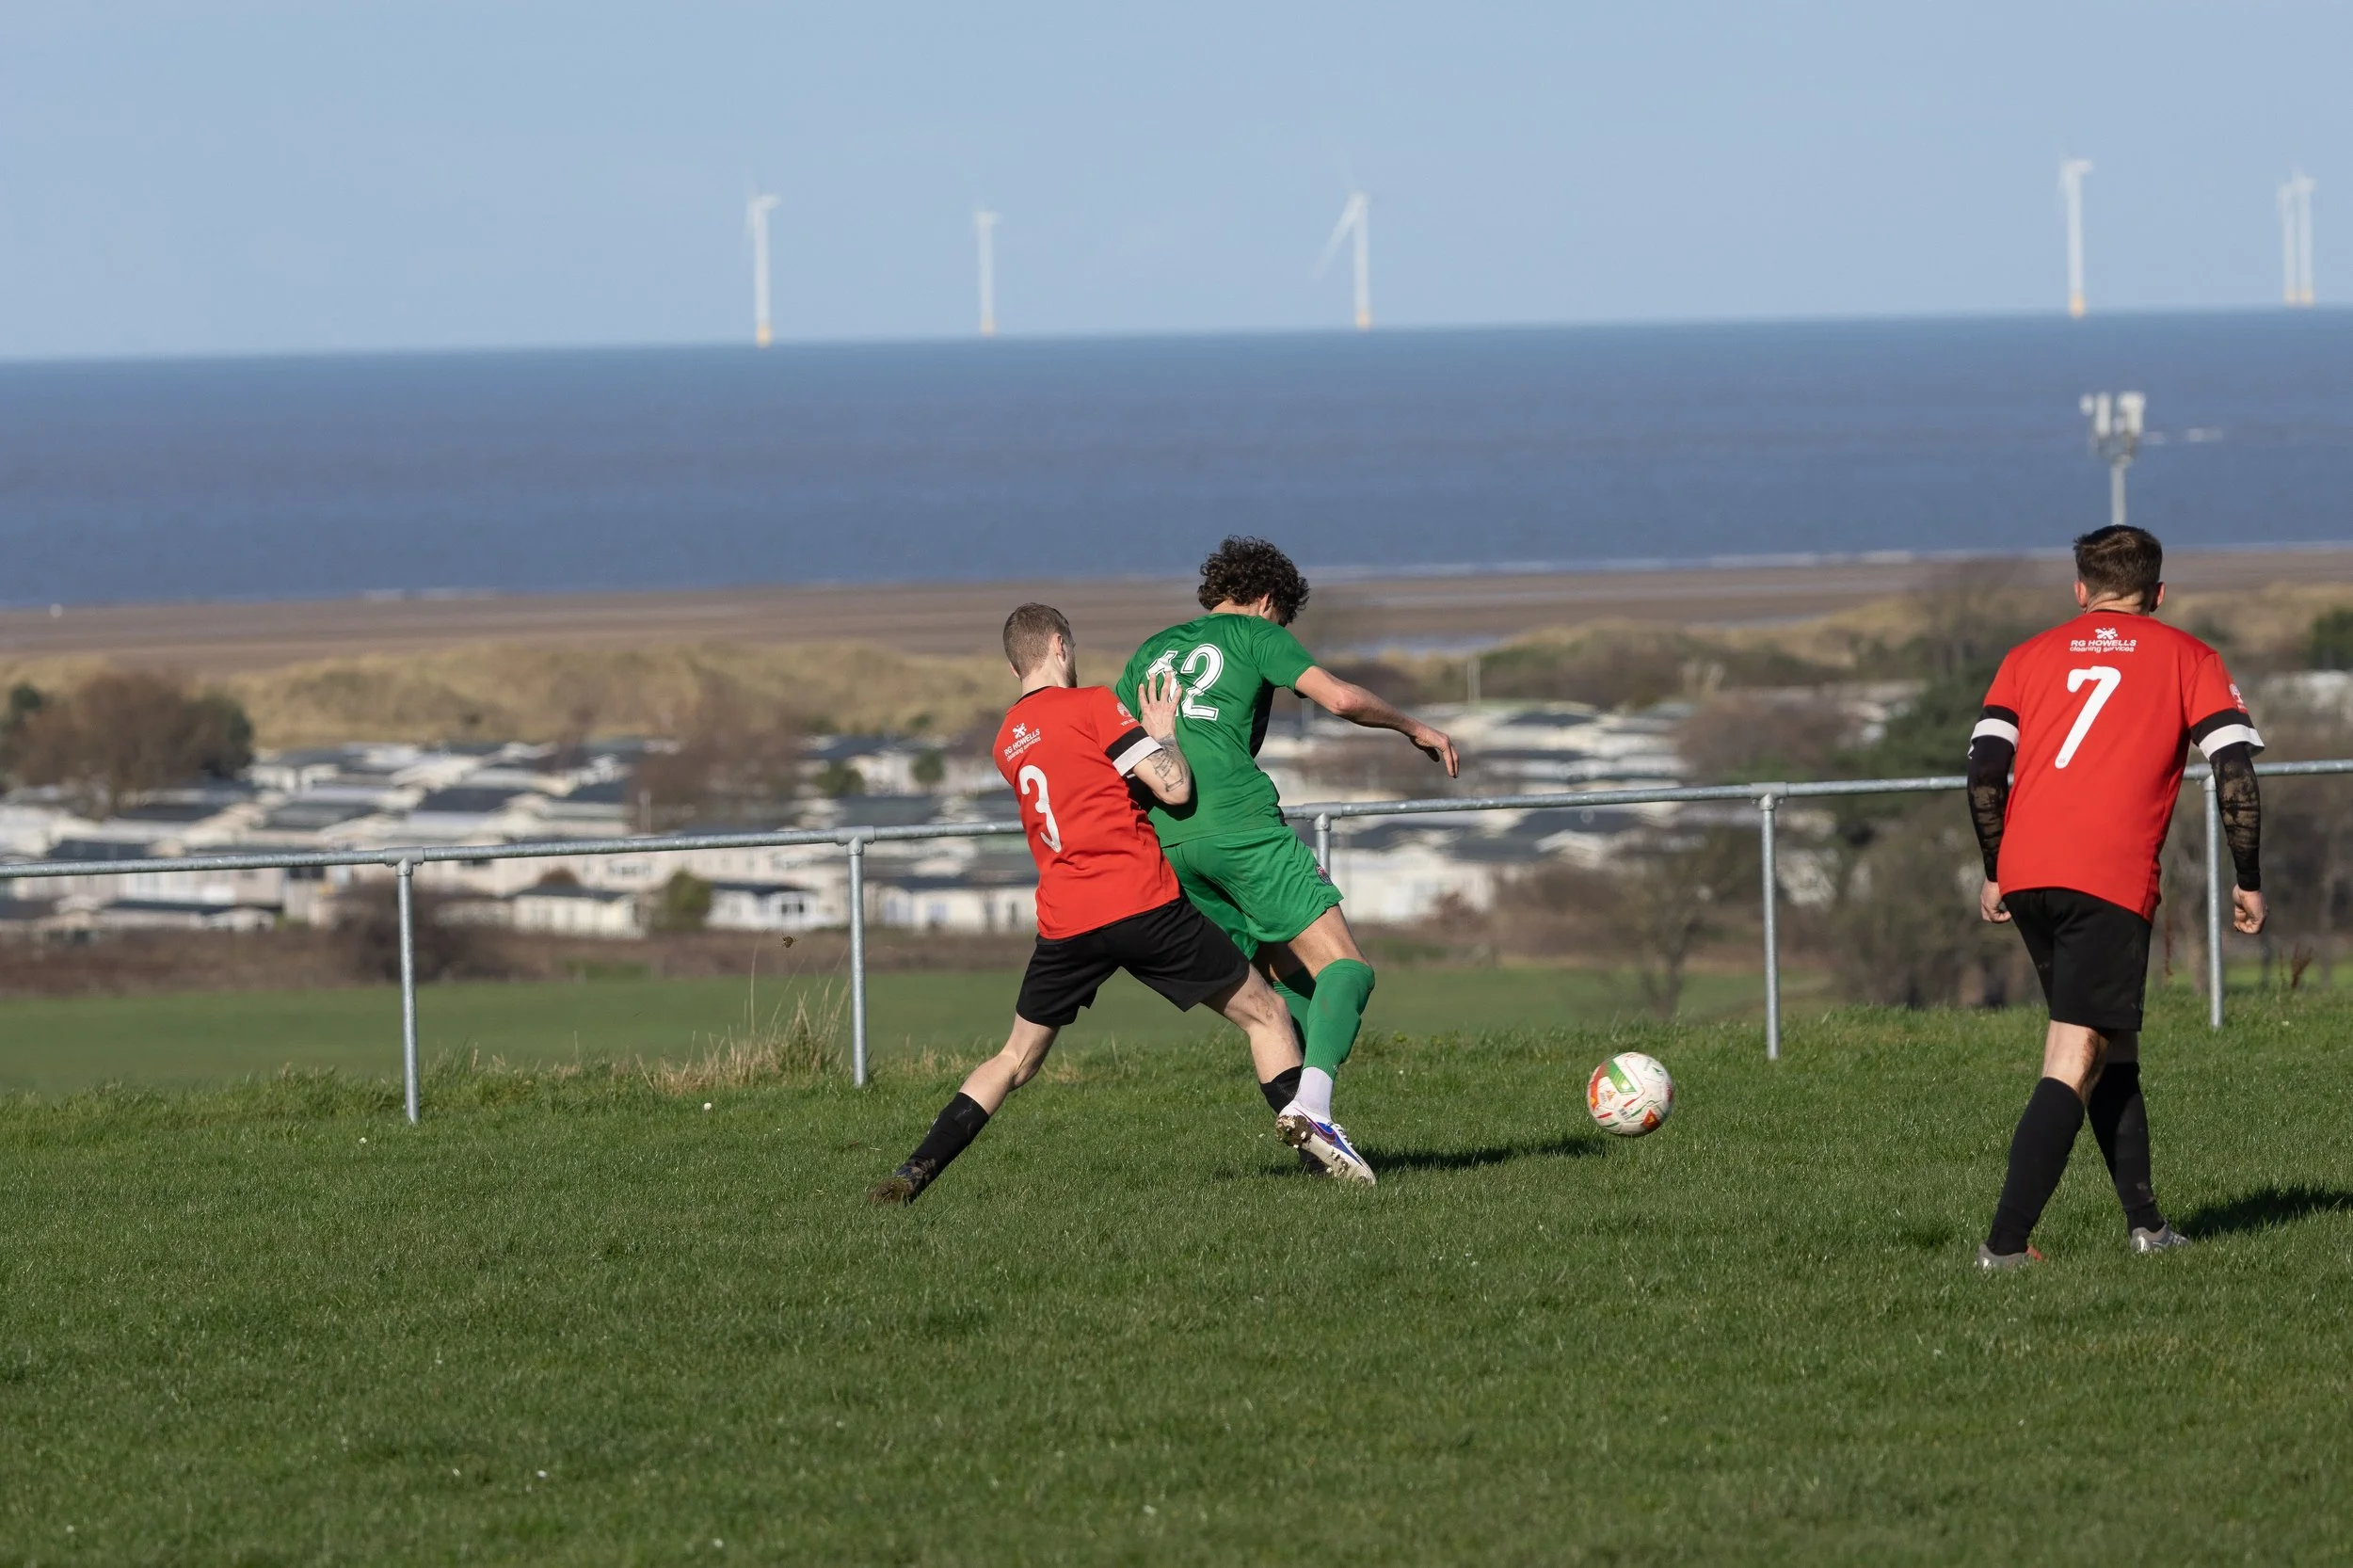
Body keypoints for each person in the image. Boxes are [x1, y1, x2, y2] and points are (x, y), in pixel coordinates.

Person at [870, 602, 1321, 1205]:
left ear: (1014, 670)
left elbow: (1077, 781)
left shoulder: (1006, 740)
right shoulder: (1092, 704)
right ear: (1061, 646)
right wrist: (1162, 736)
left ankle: (917, 1167)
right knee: (1265, 1015)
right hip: (1141, 904)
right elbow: (1176, 788)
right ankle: (1325, 1163)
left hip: (1066, 922)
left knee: (1016, 1058)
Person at [1967, 524, 2265, 1270]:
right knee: (2075, 1051)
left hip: (2031, 873)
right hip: (2105, 878)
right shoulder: (2188, 657)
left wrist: (1996, 866)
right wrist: (2248, 878)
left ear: (2080, 591)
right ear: (2157, 594)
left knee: (2111, 1045)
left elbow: (1982, 774)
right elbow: (2234, 776)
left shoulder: (2026, 658)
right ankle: (2003, 1247)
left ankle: (2149, 1226)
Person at [1118, 536, 1460, 1185]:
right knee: (1348, 970)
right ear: (1269, 601)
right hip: (1241, 828)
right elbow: (1339, 699)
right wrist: (1415, 726)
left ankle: (1317, 1148)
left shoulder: (1149, 652)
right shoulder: (1256, 634)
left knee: (1289, 990)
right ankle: (1316, 1109)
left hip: (1170, 843)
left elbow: (1122, 747)